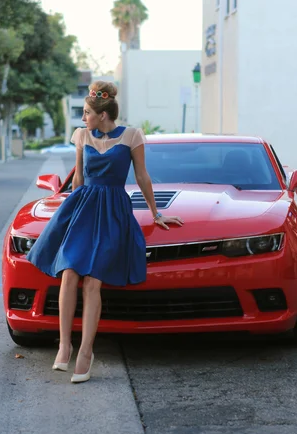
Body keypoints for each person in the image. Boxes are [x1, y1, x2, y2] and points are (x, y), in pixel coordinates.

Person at [27, 81, 183, 383]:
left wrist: (156, 213)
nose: (83, 118)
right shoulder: (82, 136)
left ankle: (86, 352)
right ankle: (64, 346)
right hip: (83, 207)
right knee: (69, 273)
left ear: (102, 114)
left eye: (87, 113)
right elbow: (79, 179)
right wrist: (64, 209)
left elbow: (141, 176)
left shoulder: (132, 136)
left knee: (93, 281)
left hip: (113, 210)